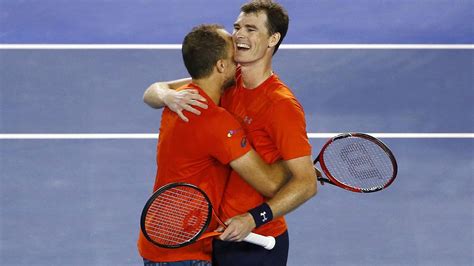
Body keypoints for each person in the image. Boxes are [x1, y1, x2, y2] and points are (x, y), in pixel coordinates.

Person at [143, 1, 318, 265]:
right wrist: (167, 95)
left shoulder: (281, 105)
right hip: (217, 236)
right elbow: (155, 90)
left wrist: (253, 218)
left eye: (251, 29)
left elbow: (306, 184)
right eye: (237, 27)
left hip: (256, 240)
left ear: (273, 39)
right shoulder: (227, 80)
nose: (240, 35)